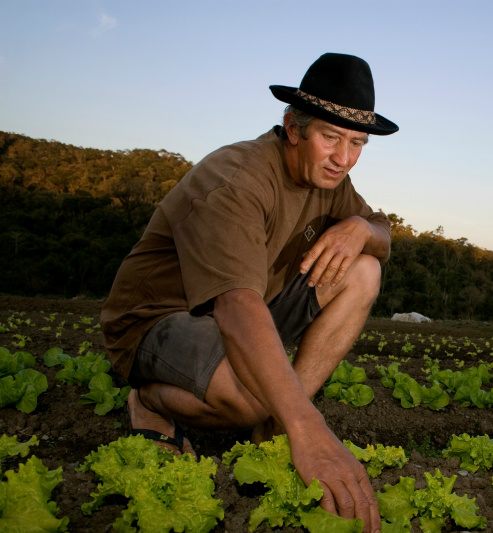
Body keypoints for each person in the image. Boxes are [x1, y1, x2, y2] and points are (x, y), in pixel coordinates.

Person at [100, 52, 398, 533]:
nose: (344, 158)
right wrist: (311, 431)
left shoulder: (329, 182)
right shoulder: (239, 178)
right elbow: (235, 305)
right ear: (293, 127)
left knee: (364, 269)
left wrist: (361, 228)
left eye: (357, 142)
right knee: (254, 397)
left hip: (247, 309)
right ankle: (149, 401)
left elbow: (383, 233)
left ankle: (273, 429)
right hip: (160, 319)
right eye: (331, 137)